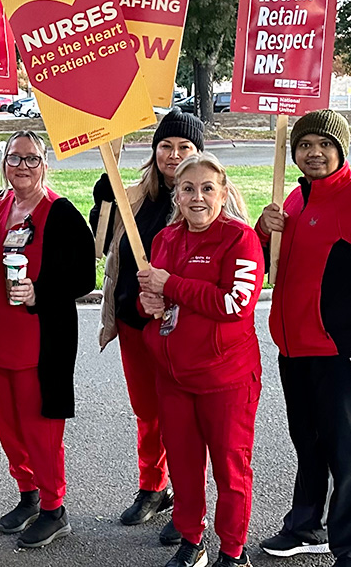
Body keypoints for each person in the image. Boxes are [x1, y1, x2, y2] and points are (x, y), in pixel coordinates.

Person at [254, 110, 351, 567]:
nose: (313, 153)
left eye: (324, 144)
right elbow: (268, 268)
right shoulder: (293, 202)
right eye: (304, 145)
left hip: (343, 354)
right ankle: (305, 526)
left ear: (341, 149)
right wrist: (265, 231)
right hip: (295, 350)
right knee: (309, 444)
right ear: (293, 152)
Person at [137, 152, 263, 567]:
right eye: (188, 188)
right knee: (185, 467)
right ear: (176, 194)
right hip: (173, 378)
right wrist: (149, 301)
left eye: (208, 188)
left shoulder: (240, 239)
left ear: (223, 192)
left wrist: (172, 284)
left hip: (225, 379)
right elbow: (156, 303)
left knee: (230, 470)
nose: (197, 197)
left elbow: (235, 303)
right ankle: (192, 540)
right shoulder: (165, 239)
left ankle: (232, 550)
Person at [0, 131, 95, 548]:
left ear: (46, 164)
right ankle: (28, 493)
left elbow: (81, 277)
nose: (22, 166)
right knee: (8, 430)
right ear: (3, 163)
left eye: (32, 159)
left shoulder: (60, 213)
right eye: (14, 158)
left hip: (39, 346)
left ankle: (53, 507)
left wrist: (40, 290)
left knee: (41, 433)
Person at [89, 109, 205, 545]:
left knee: (183, 418)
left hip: (180, 331)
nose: (174, 155)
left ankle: (190, 501)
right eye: (166, 146)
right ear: (154, 150)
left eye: (184, 147)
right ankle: (154, 487)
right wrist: (103, 202)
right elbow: (102, 248)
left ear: (198, 152)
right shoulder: (134, 196)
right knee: (148, 414)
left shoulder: (207, 195)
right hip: (135, 327)